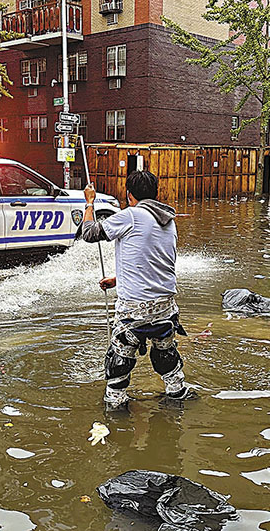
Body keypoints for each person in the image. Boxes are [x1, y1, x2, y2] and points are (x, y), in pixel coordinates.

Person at [81, 171, 191, 409]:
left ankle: (116, 410)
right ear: (155, 194)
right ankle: (177, 396)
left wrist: (89, 203)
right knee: (167, 357)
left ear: (129, 195)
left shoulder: (130, 215)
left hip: (134, 310)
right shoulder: (169, 221)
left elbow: (88, 234)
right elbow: (153, 261)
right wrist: (118, 279)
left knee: (119, 362)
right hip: (166, 308)